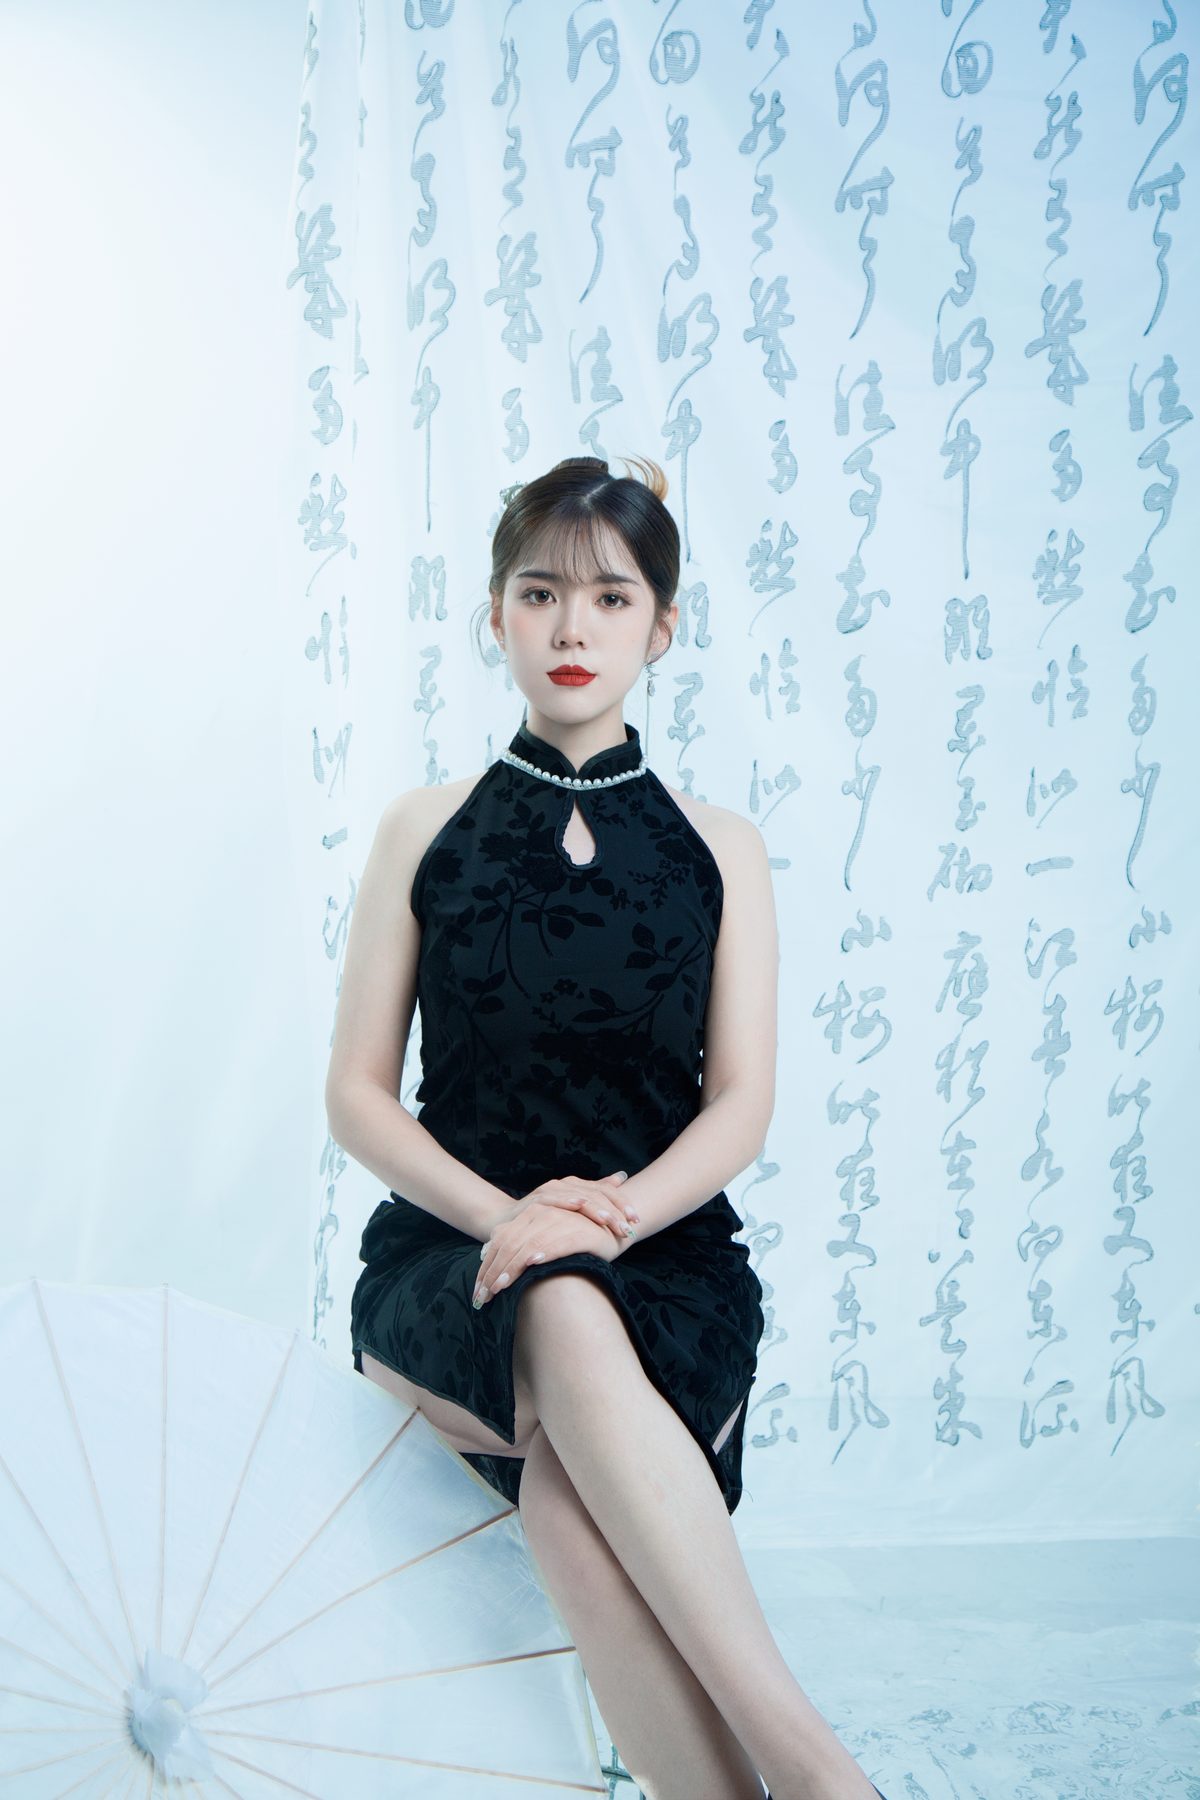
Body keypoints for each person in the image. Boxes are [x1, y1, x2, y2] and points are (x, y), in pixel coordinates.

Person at [325, 456, 887, 1800]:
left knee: (569, 1505)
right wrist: (515, 1221)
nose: (572, 627)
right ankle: (823, 1775)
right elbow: (355, 1094)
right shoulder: (424, 829)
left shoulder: (720, 846)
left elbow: (741, 1103)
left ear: (662, 627)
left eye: (610, 598)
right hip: (452, 1258)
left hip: (671, 1265)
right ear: (496, 616)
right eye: (539, 595)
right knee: (560, 1302)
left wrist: (612, 1217)